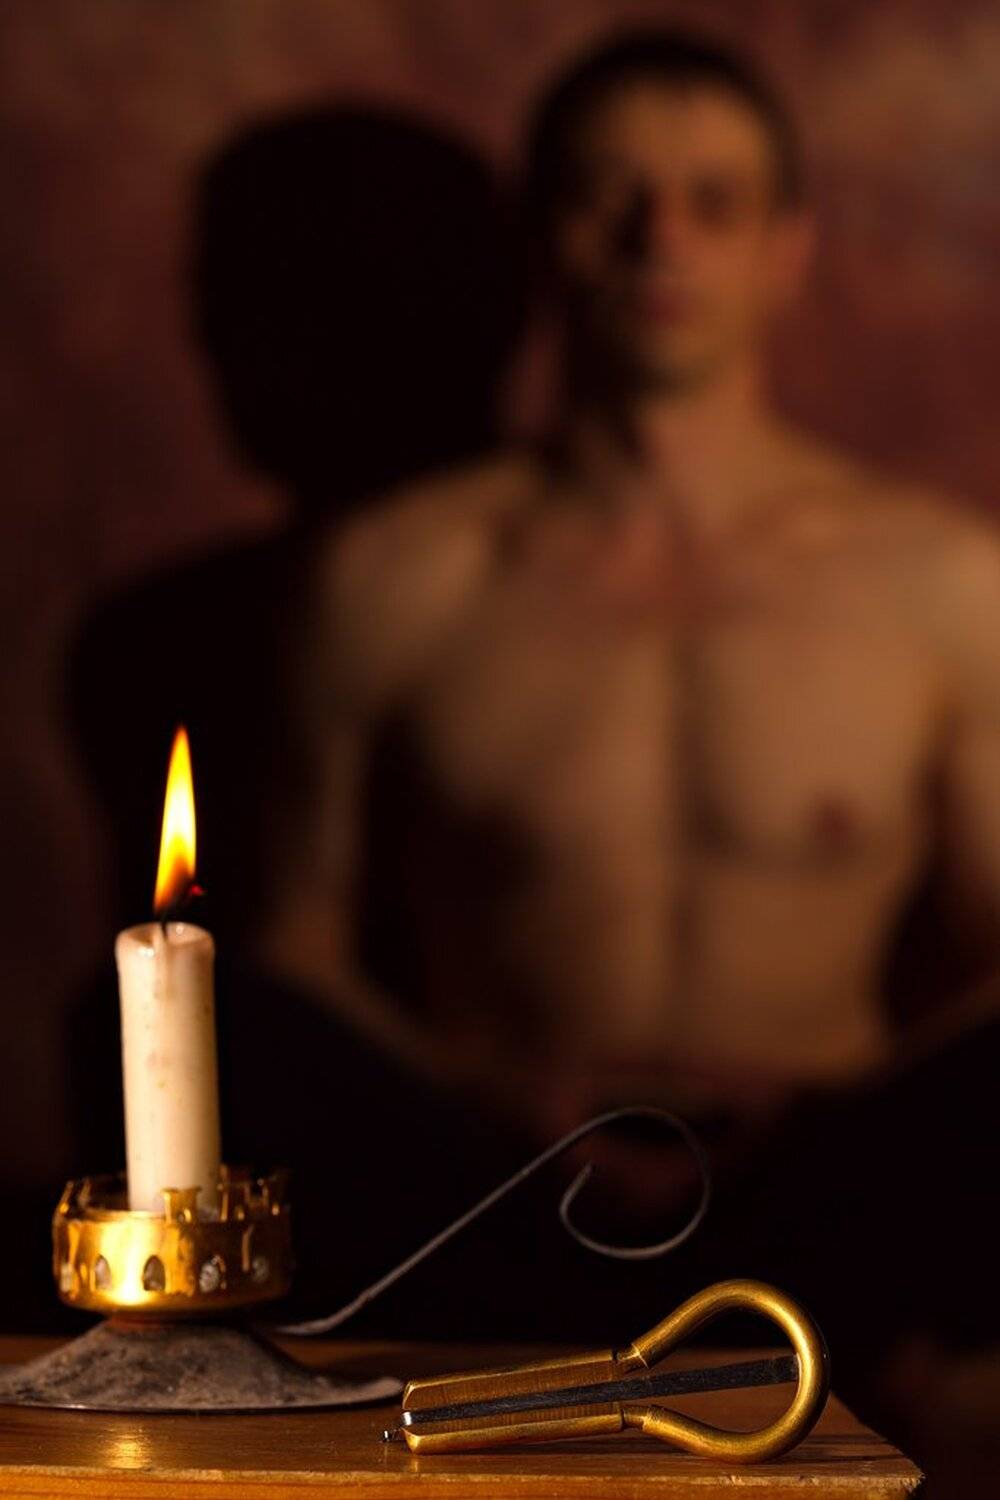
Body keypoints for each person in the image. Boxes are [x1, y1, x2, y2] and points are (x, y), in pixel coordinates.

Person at [269, 30, 1000, 1143]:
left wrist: (847, 1132)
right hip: (490, 1186)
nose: (661, 241)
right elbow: (292, 949)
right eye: (610, 196)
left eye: (715, 203)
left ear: (786, 251)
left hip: (828, 1195)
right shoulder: (392, 578)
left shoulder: (941, 582)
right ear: (538, 236)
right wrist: (473, 1097)